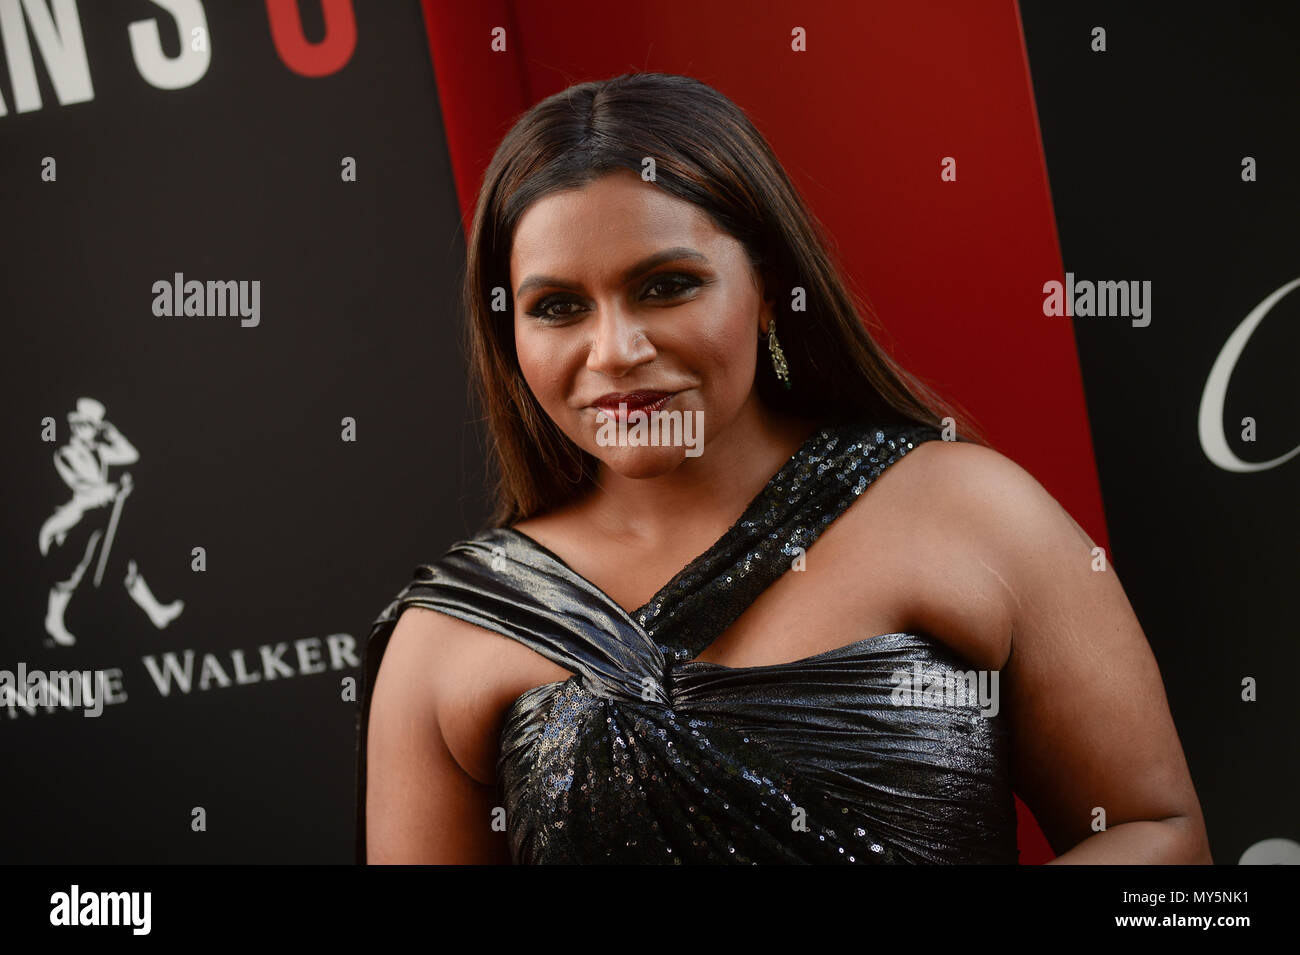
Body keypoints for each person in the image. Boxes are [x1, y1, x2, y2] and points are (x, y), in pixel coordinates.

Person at [355, 72, 1211, 864]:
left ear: (768, 287)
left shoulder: (969, 510)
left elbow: (1168, 853)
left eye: (667, 285)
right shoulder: (449, 637)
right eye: (559, 307)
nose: (615, 351)